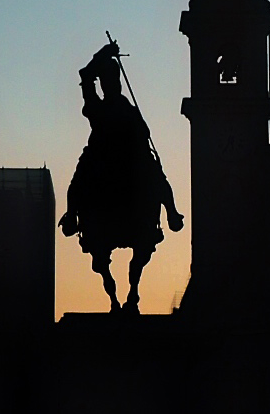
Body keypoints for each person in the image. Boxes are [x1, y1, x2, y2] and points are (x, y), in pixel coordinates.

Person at [60, 40, 183, 313]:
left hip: (131, 157)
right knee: (77, 183)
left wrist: (140, 136)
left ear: (117, 82)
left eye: (113, 79)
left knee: (155, 175)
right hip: (101, 155)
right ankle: (71, 216)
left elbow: (144, 134)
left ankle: (172, 213)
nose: (110, 84)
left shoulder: (129, 109)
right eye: (106, 80)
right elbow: (85, 76)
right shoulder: (97, 106)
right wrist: (102, 55)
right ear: (103, 83)